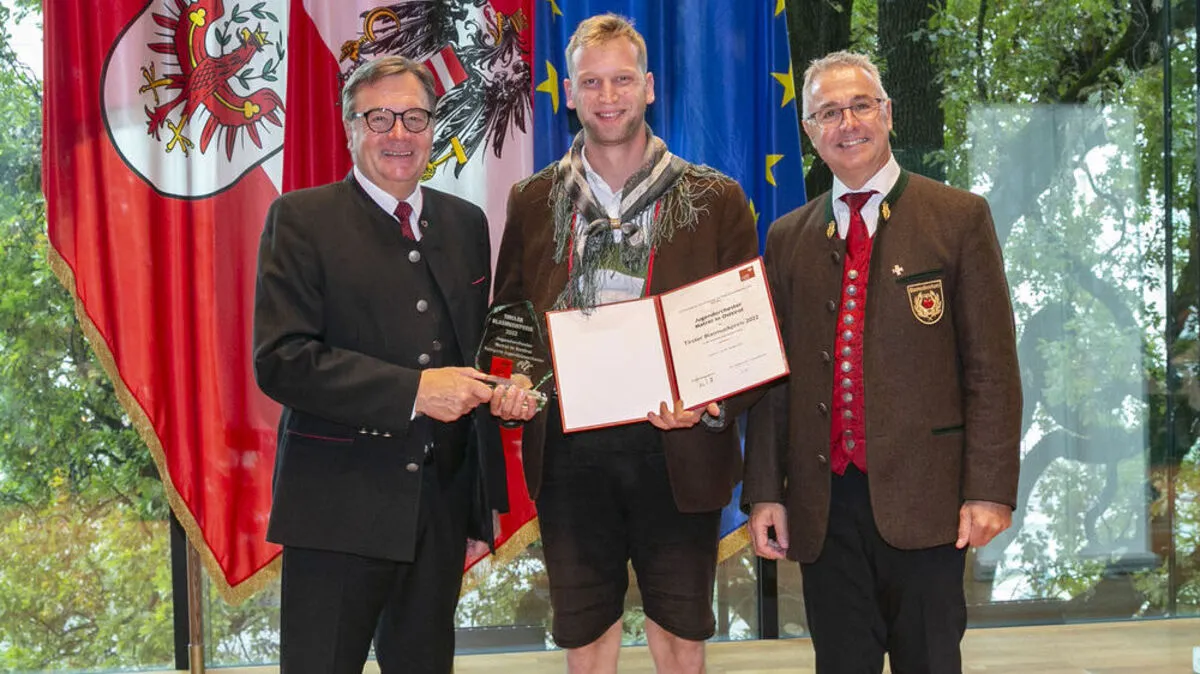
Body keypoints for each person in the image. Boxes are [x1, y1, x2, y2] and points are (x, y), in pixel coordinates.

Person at [486, 13, 760, 674]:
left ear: (649, 87)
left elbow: (744, 330)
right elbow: (511, 315)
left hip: (679, 447)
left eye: (621, 80)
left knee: (681, 631)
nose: (607, 96)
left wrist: (708, 400)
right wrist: (515, 383)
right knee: (585, 635)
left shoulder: (716, 198)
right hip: (571, 452)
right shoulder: (532, 199)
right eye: (591, 82)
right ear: (570, 94)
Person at [743, 51, 1022, 673]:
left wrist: (989, 489)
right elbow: (774, 380)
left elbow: (992, 369)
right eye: (828, 113)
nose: (848, 124)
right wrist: (765, 491)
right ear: (811, 132)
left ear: (888, 113)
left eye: (861, 106)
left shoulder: (957, 218)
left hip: (929, 503)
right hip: (824, 506)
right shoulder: (788, 236)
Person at [252, 56, 511, 674]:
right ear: (349, 128)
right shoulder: (301, 219)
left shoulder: (466, 223)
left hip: (440, 514)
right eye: (379, 118)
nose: (399, 133)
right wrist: (415, 391)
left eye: (415, 117)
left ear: (433, 126)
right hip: (336, 509)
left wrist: (480, 505)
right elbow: (281, 361)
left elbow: (471, 358)